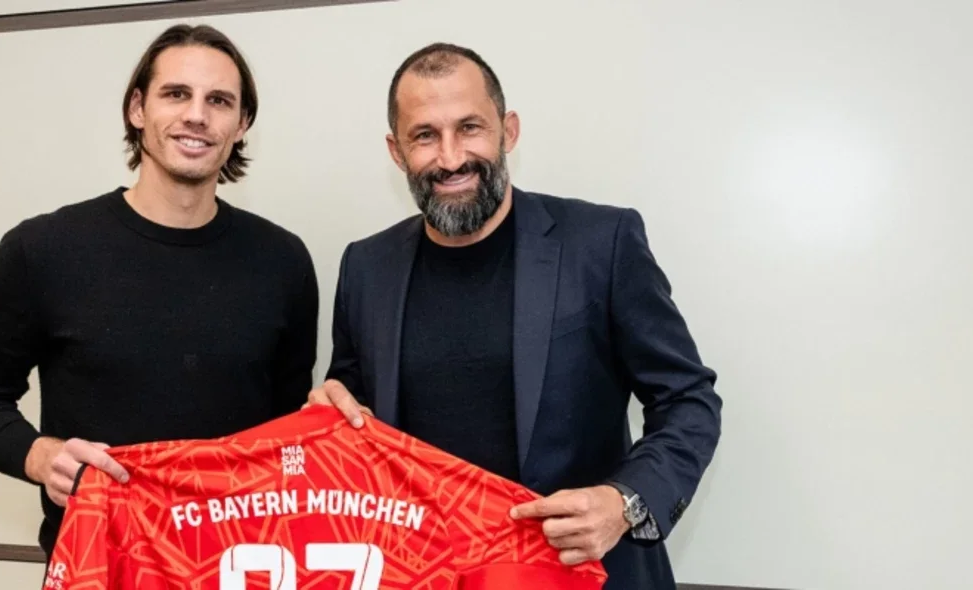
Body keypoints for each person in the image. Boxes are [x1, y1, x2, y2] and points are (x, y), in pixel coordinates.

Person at [305, 42, 722, 590]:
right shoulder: (366, 265)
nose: (450, 158)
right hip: (425, 576)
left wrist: (624, 502)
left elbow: (688, 400)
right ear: (396, 151)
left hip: (584, 575)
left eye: (470, 128)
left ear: (509, 131)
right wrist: (328, 415)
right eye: (424, 135)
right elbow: (353, 405)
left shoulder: (602, 243)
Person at [0, 23, 319, 558]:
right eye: (176, 94)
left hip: (238, 564)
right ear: (138, 109)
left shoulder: (283, 261)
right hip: (97, 562)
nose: (197, 115)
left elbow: (287, 433)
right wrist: (41, 456)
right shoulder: (43, 249)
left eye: (218, 100)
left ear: (241, 125)